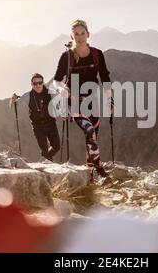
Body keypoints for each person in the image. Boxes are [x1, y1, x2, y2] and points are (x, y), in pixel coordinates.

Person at [51, 19, 113, 180]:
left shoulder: (97, 54)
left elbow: (105, 78)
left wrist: (110, 100)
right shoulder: (67, 57)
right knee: (90, 131)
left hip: (93, 102)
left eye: (82, 33)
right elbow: (56, 80)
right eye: (76, 34)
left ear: (88, 34)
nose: (80, 37)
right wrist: (61, 89)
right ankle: (101, 171)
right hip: (75, 103)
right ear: (71, 36)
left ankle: (90, 175)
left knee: (91, 139)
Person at [12, 73, 60, 162]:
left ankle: (46, 158)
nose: (37, 85)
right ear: (31, 84)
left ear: (43, 82)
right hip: (38, 126)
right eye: (35, 83)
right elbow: (17, 103)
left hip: (51, 123)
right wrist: (14, 100)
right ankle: (47, 161)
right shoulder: (28, 95)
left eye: (40, 82)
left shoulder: (50, 92)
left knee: (57, 146)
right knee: (44, 150)